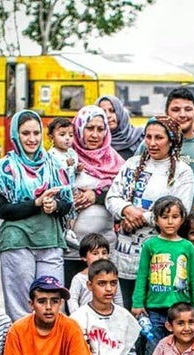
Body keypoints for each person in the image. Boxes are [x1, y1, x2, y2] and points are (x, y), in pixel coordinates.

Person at [0, 110, 73, 321]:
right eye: (26, 133)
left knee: (52, 304)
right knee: (20, 309)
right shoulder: (4, 167)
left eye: (36, 133)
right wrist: (36, 203)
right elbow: (3, 210)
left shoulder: (54, 164)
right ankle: (23, 351)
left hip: (50, 239)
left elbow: (68, 203)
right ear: (15, 135)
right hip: (16, 241)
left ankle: (50, 353)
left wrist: (54, 205)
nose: (32, 139)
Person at [105, 115, 194, 307]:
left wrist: (140, 217)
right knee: (128, 308)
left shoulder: (182, 171)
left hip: (162, 258)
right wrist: (126, 209)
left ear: (171, 140)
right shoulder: (131, 164)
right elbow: (112, 197)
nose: (152, 143)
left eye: (159, 138)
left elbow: (182, 210)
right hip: (126, 254)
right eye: (148, 137)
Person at [131, 196, 194, 355]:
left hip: (181, 310)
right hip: (155, 309)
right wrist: (137, 303)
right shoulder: (150, 245)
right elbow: (142, 276)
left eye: (175, 217)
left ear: (182, 219)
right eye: (165, 217)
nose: (170, 222)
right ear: (156, 219)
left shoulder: (187, 246)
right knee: (154, 350)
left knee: (181, 350)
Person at [68, 105, 125, 287]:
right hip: (70, 251)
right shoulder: (67, 158)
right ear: (78, 129)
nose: (95, 135)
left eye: (100, 129)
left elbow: (124, 192)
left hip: (104, 250)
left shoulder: (115, 161)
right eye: (89, 128)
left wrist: (96, 195)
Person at [70, 258, 139, 355]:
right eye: (102, 283)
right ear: (90, 285)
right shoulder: (78, 318)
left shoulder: (124, 315)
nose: (109, 289)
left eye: (113, 283)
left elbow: (129, 349)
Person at [67, 233, 123, 314]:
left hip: (108, 317)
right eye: (95, 253)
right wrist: (77, 318)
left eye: (104, 253)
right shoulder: (79, 278)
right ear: (84, 257)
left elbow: (118, 299)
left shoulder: (112, 276)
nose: (100, 257)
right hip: (86, 320)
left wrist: (120, 316)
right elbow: (72, 300)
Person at [47, 117, 79, 184]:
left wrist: (78, 168)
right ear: (51, 138)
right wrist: (66, 164)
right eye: (62, 135)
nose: (67, 138)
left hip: (71, 185)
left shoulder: (72, 152)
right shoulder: (51, 154)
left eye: (70, 135)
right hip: (58, 187)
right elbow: (52, 171)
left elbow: (74, 170)